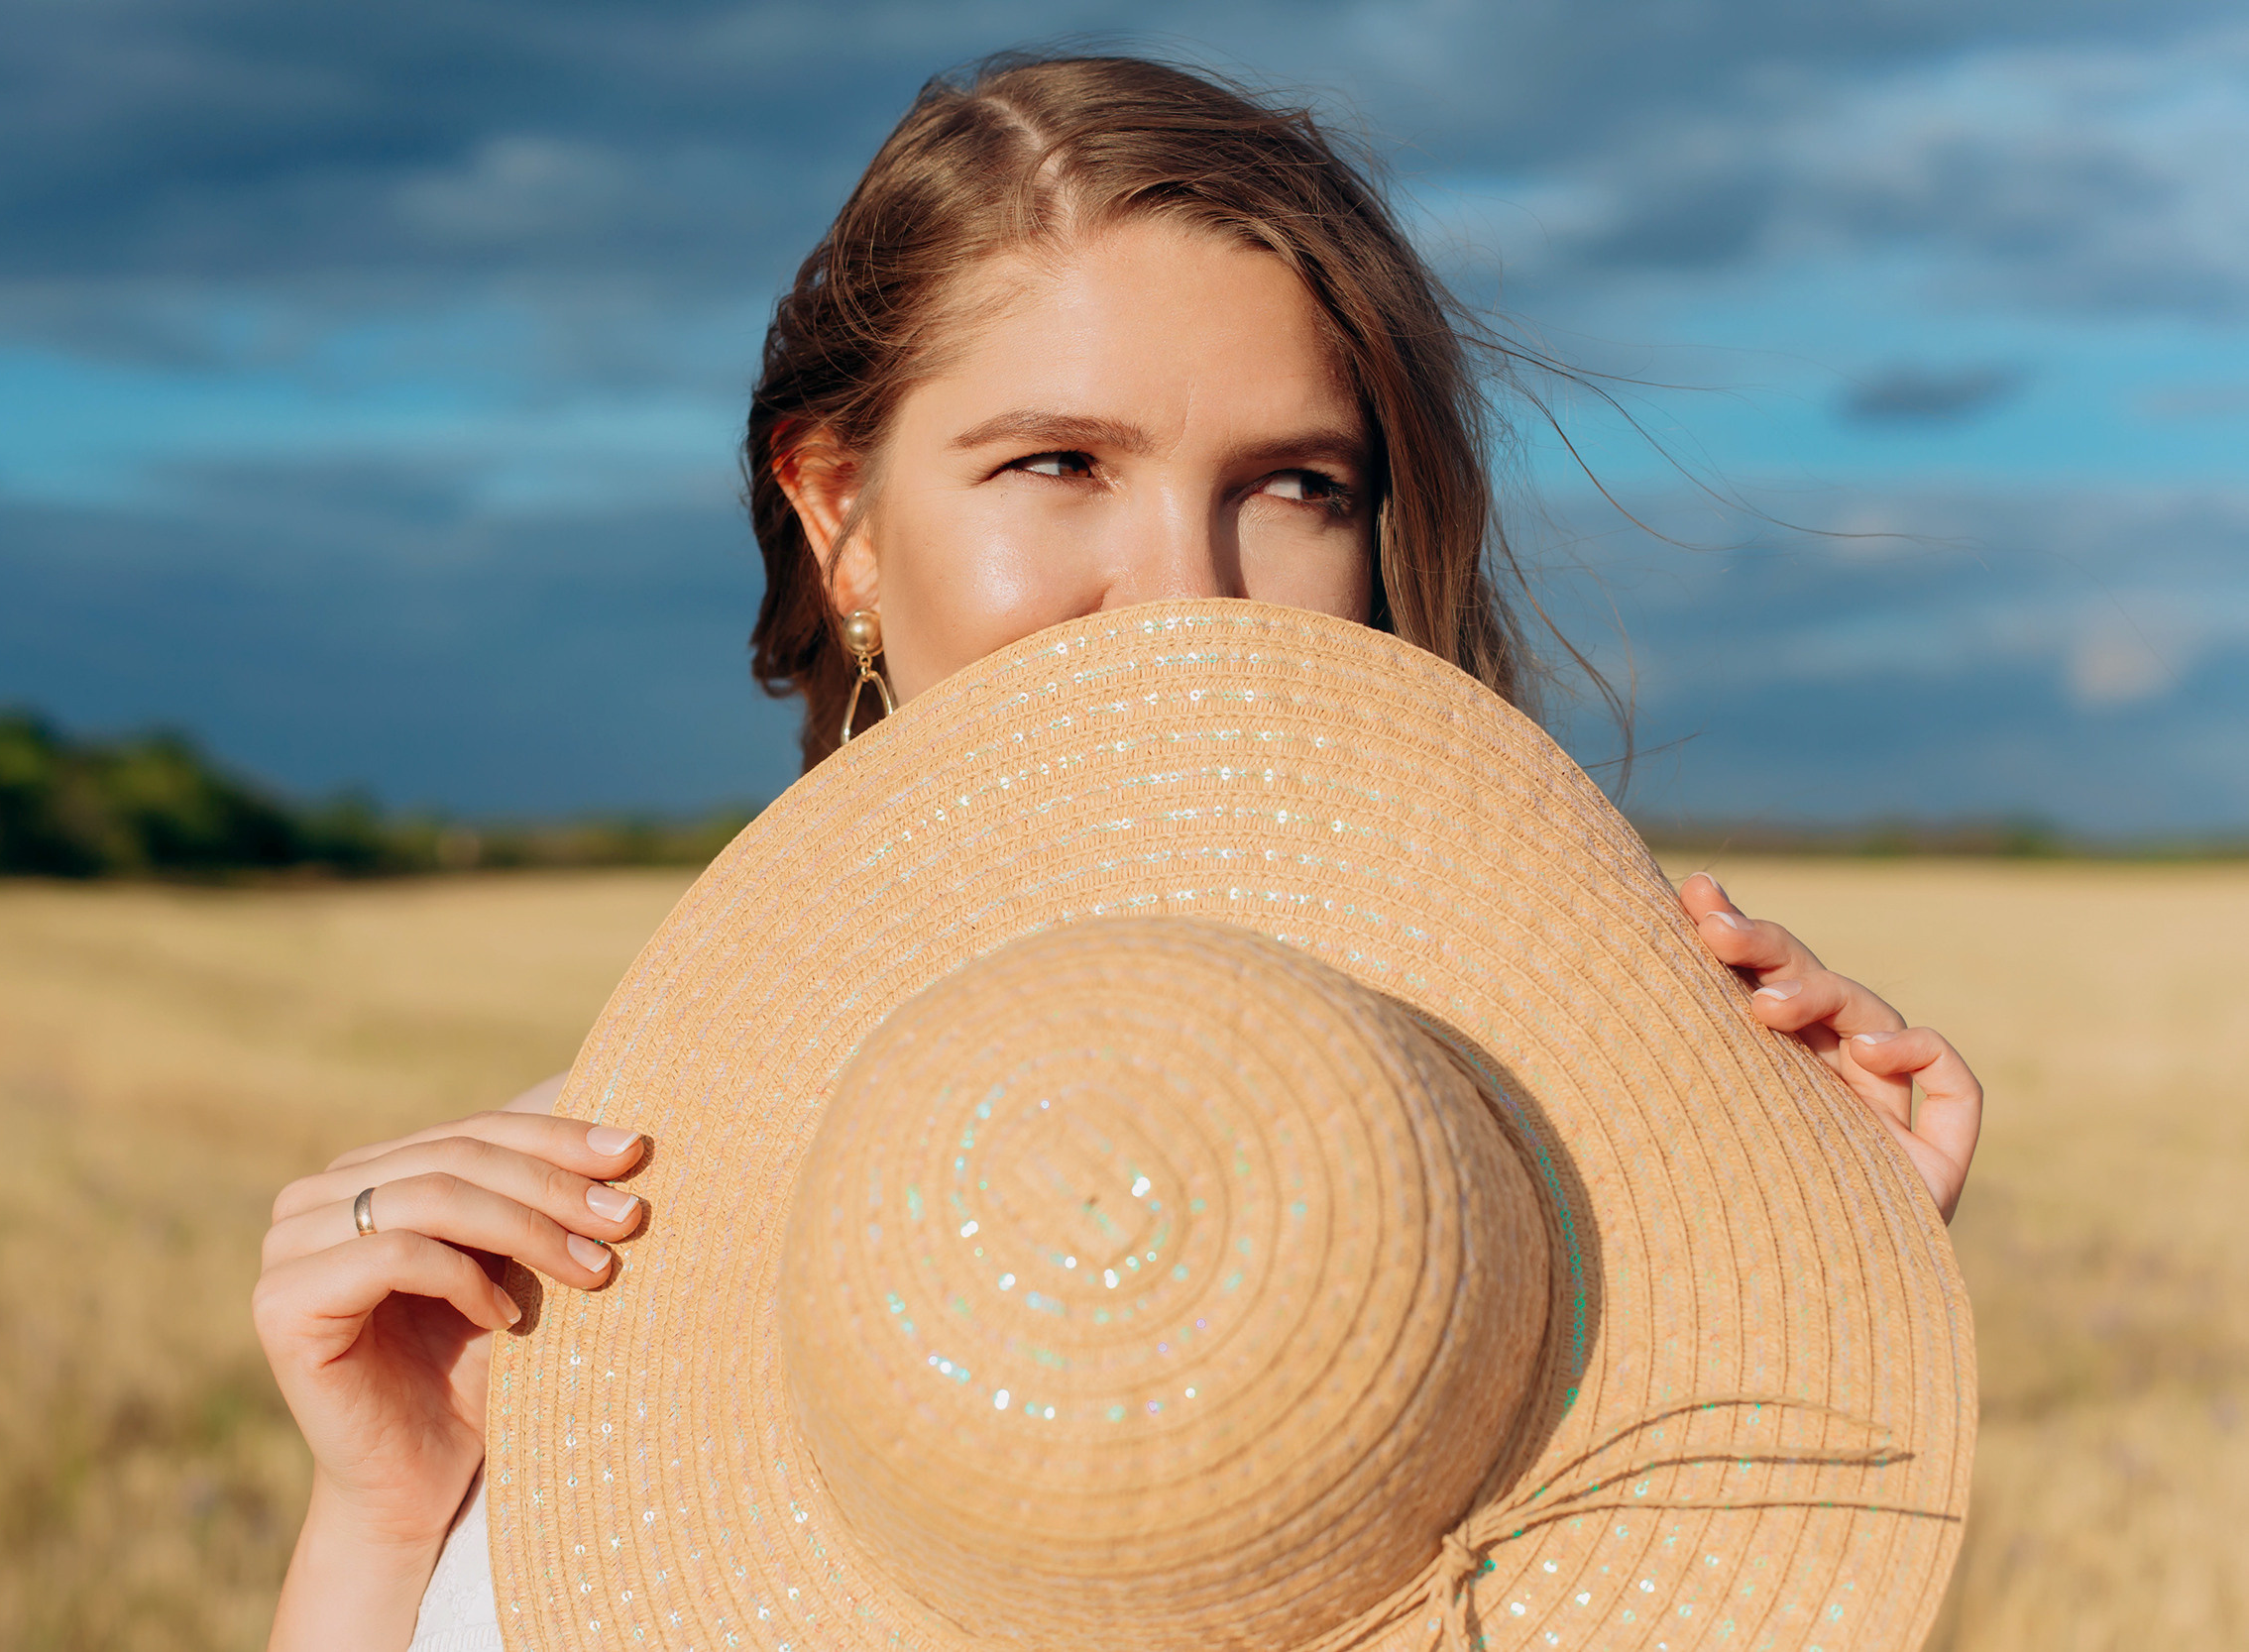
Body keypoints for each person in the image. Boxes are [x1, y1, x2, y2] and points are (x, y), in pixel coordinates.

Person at [253, 54, 1983, 1652]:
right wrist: (389, 1515)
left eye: (1298, 483)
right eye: (1061, 461)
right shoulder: (572, 1235)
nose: (1188, 590)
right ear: (838, 515)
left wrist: (1760, 1278)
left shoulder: (1530, 1170)